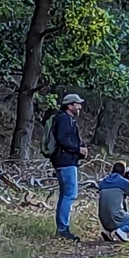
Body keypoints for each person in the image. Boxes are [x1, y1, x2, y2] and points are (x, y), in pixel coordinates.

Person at [49, 93, 88, 241]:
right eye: (77, 104)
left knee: (65, 195)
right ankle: (63, 229)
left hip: (64, 161)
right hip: (65, 162)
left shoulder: (64, 119)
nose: (80, 107)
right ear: (69, 105)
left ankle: (62, 227)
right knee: (70, 194)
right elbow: (63, 140)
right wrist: (78, 149)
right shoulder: (64, 119)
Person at [97, 161, 129, 242]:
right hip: (117, 217)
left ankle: (108, 232)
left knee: (116, 208)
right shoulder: (124, 182)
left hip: (104, 220)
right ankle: (123, 230)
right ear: (124, 172)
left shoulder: (102, 182)